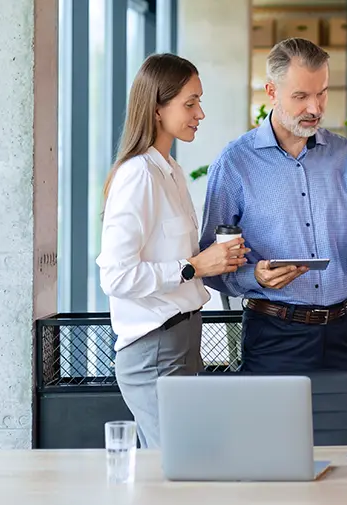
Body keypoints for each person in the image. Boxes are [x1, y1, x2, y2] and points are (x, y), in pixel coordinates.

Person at [199, 38, 347, 444]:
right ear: (271, 92)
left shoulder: (343, 155)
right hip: (274, 337)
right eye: (301, 96)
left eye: (322, 93)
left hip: (343, 333)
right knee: (273, 452)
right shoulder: (235, 163)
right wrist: (255, 277)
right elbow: (209, 262)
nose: (314, 108)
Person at [96, 53, 248, 449]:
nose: (200, 113)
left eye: (200, 101)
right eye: (190, 103)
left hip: (182, 343)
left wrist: (217, 260)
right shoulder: (138, 175)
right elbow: (116, 277)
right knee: (175, 468)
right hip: (154, 350)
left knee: (184, 465)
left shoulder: (171, 171)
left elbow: (182, 260)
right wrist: (193, 267)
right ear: (157, 108)